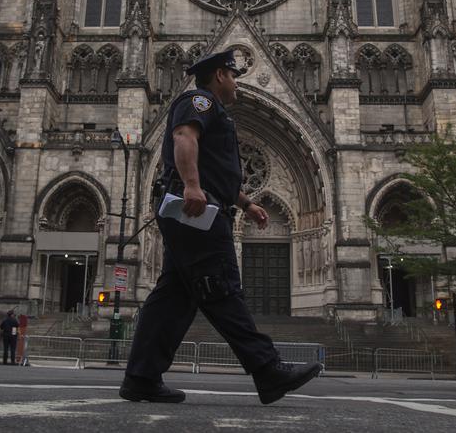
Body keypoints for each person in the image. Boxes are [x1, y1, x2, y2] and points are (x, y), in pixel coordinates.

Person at [121, 49, 322, 405]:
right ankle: (267, 369)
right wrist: (191, 186)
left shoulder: (216, 111)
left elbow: (217, 169)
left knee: (174, 298)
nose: (235, 81)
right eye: (232, 74)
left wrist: (245, 203)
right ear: (218, 76)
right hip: (198, 212)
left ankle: (142, 376)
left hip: (203, 207)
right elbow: (185, 138)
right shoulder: (198, 101)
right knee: (222, 288)